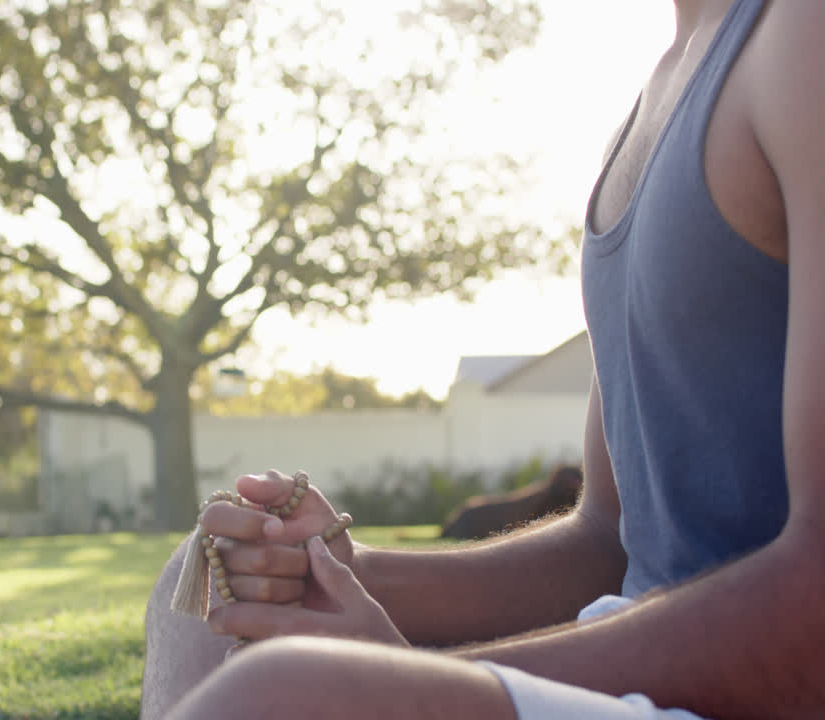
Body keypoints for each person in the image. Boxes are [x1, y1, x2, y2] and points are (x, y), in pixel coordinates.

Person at [140, 1, 825, 718]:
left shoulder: (801, 36)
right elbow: (608, 538)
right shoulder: (653, 98)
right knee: (199, 597)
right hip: (641, 660)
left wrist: (405, 672)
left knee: (281, 694)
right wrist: (350, 573)